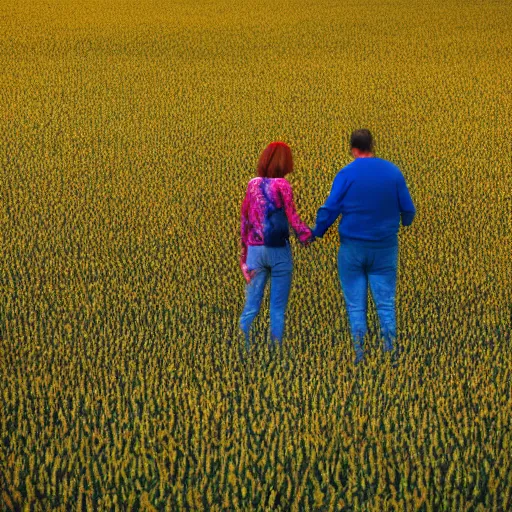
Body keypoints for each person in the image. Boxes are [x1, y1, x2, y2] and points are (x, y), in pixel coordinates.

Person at [311, 129, 416, 364]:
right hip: (384, 249)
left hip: (352, 249)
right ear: (372, 145)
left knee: (356, 307)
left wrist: (317, 232)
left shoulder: (346, 174)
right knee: (386, 305)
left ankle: (360, 356)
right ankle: (392, 357)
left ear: (353, 149)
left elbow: (330, 209)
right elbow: (408, 210)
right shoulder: (392, 172)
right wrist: (403, 223)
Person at [239, 142, 311, 350]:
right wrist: (307, 236)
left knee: (251, 307)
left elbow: (245, 220)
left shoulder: (252, 184)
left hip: (255, 251)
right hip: (278, 250)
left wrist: (244, 258)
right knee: (277, 309)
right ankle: (275, 351)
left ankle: (242, 348)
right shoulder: (282, 185)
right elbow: (293, 217)